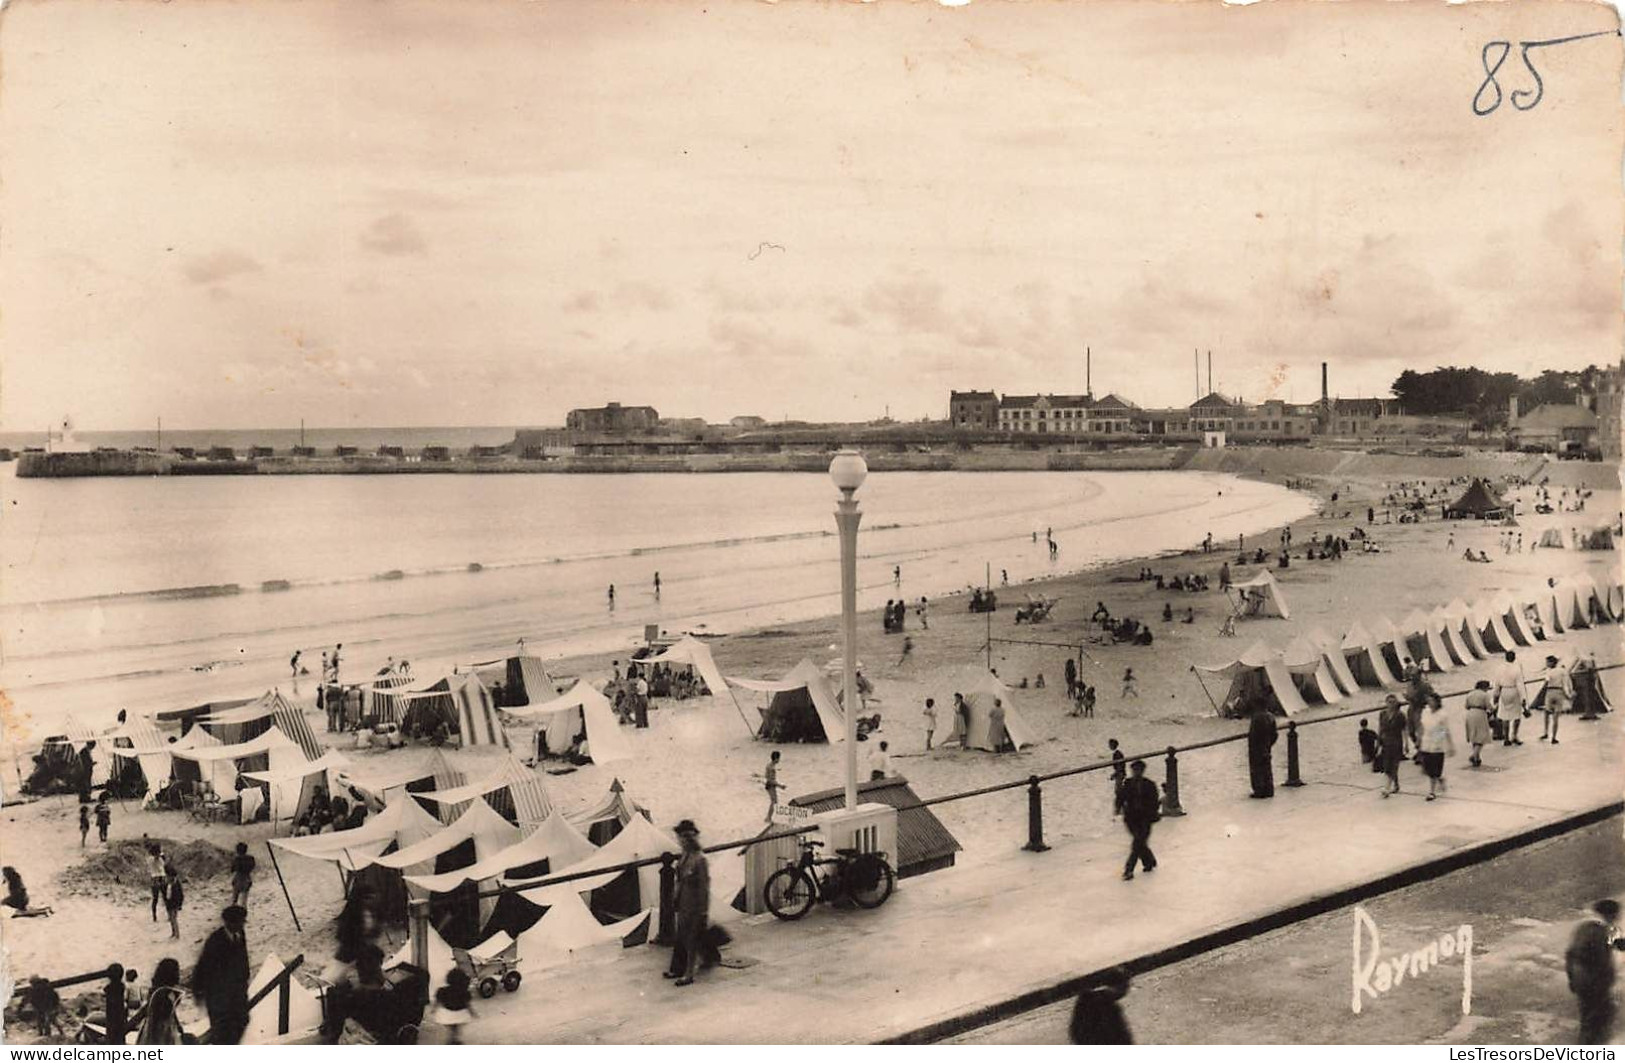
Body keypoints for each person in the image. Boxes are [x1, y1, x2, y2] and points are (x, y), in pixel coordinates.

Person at [1566, 898, 1625, 1044]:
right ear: (1609, 914)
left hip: (1590, 981)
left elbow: (1617, 944)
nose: (1618, 917)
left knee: (1600, 1017)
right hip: (1592, 982)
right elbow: (1577, 954)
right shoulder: (1594, 929)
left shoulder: (1599, 929)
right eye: (1616, 914)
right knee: (1596, 1022)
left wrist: (1572, 979)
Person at [665, 820, 713, 986]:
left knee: (692, 939)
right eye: (682, 837)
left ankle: (689, 973)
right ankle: (686, 966)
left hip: (694, 903)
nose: (683, 840)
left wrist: (703, 910)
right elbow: (680, 881)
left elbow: (704, 886)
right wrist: (676, 898)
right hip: (684, 901)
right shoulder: (684, 856)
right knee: (684, 936)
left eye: (686, 837)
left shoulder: (700, 860)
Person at [192, 905, 250, 1044]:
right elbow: (203, 967)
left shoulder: (240, 935)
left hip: (238, 996)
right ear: (229, 922)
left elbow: (243, 958)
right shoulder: (215, 941)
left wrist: (244, 979)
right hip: (220, 999)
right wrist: (199, 991)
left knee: (240, 1025)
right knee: (222, 1035)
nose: (242, 924)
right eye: (240, 922)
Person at [1069, 966, 1134, 1044]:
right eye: (1125, 987)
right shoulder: (1111, 1009)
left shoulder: (1086, 1000)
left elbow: (1076, 1032)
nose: (1126, 991)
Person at [1119, 760, 1160, 880]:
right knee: (1140, 842)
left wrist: (1151, 813)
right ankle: (1149, 861)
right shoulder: (1127, 783)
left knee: (1137, 843)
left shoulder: (1149, 785)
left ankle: (1129, 870)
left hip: (1145, 818)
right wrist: (1118, 807)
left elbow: (1154, 802)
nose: (1136, 772)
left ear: (1142, 771)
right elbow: (1121, 796)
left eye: (1139, 770)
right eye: (1134, 770)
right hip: (1131, 818)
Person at [1418, 693, 1454, 801]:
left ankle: (1431, 792)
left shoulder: (1442, 714)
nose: (1430, 703)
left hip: (1437, 742)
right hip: (1426, 741)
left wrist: (1450, 745)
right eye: (1428, 701)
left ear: (1437, 702)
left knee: (1434, 769)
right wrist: (1419, 739)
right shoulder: (1425, 712)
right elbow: (1421, 726)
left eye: (1432, 701)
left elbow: (1446, 730)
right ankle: (1440, 779)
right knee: (1427, 769)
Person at [433, 969, 475, 1045]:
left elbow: (437, 1001)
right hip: (460, 1014)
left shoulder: (442, 990)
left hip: (446, 1015)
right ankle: (455, 1037)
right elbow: (467, 1004)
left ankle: (452, 1037)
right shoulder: (465, 992)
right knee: (456, 1026)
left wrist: (433, 1009)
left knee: (451, 1026)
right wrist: (473, 1013)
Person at [1495, 651, 1527, 747]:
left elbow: (1497, 683)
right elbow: (1520, 684)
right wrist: (1523, 698)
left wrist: (1496, 696)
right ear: (1514, 658)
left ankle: (1506, 738)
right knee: (1517, 715)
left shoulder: (1499, 668)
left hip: (1504, 691)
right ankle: (1514, 736)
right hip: (1514, 691)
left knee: (1505, 716)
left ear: (1505, 658)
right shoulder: (1517, 669)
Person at [1377, 695, 1407, 798]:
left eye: (1393, 702)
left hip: (1397, 742)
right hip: (1386, 742)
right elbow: (1380, 728)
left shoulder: (1400, 715)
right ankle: (1395, 785)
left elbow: (1404, 730)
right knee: (1387, 765)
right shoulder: (1382, 714)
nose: (1391, 704)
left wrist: (1407, 744)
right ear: (1386, 702)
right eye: (1389, 702)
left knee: (1393, 765)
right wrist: (1378, 742)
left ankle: (1387, 788)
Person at [1247, 702, 1278, 798]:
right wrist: (1269, 744)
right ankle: (1269, 789)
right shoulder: (1271, 716)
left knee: (1257, 769)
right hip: (1266, 746)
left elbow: (1253, 735)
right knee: (1267, 768)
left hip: (1257, 747)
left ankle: (1259, 790)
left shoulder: (1256, 718)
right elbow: (1275, 734)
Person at [1540, 654, 1572, 745]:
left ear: (1551, 663)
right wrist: (1568, 695)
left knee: (1546, 713)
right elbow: (1565, 684)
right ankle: (1554, 738)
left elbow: (1546, 681)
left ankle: (1546, 733)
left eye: (1547, 662)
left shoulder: (1549, 671)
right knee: (1556, 717)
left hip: (1550, 692)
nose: (1546, 664)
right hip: (1559, 692)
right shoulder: (1563, 671)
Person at [1463, 680, 1494, 767]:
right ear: (1485, 687)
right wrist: (1492, 711)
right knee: (1481, 736)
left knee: (1473, 735)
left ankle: (1477, 757)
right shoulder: (1485, 695)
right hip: (1480, 714)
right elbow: (1489, 706)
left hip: (1470, 714)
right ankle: (1474, 755)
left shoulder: (1470, 693)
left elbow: (1466, 706)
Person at [230, 843, 256, 908]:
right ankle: (243, 913)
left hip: (238, 878)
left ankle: (233, 912)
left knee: (234, 898)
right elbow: (252, 866)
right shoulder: (251, 858)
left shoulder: (236, 859)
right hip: (247, 878)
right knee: (244, 900)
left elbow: (232, 869)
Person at [162, 866, 184, 940]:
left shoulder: (176, 883)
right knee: (171, 919)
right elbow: (165, 893)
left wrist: (180, 904)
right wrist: (165, 901)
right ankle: (173, 933)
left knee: (174, 919)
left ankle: (177, 934)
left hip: (174, 903)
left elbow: (181, 894)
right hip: (169, 903)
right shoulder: (167, 883)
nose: (167, 877)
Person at [147, 844, 167, 922]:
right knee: (156, 899)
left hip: (160, 877)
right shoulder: (151, 859)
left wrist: (161, 855)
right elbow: (155, 859)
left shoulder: (160, 858)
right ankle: (154, 916)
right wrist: (160, 855)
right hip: (156, 878)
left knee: (164, 898)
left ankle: (159, 916)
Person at [762, 751, 782, 824]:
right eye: (779, 758)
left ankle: (768, 817)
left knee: (774, 801)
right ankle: (768, 818)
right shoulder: (772, 768)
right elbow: (771, 780)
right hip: (771, 785)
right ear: (776, 759)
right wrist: (780, 786)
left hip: (769, 784)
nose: (779, 760)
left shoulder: (769, 765)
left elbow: (766, 777)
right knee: (773, 801)